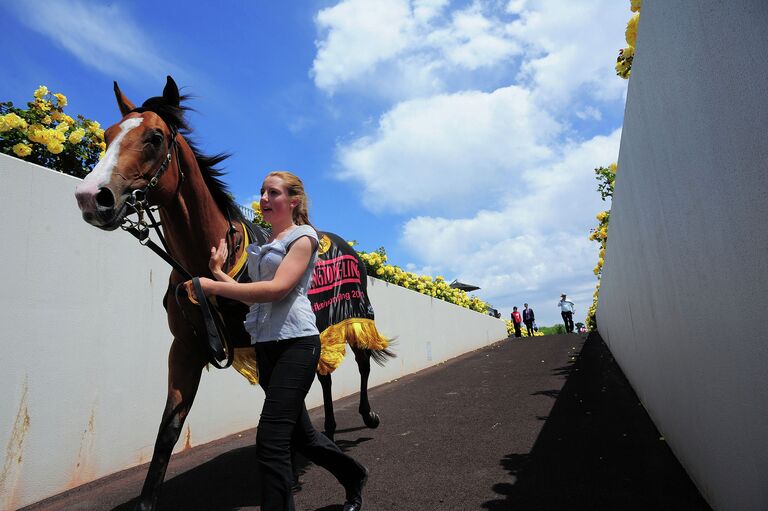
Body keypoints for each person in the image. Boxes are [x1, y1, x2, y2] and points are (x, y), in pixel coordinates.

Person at [188, 171, 368, 511]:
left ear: (293, 201)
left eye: (273, 193)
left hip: (297, 344)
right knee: (304, 437)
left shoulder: (303, 238)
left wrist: (211, 287)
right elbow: (254, 298)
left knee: (271, 439)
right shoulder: (265, 246)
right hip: (266, 347)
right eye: (262, 193)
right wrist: (217, 274)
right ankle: (354, 475)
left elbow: (277, 289)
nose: (265, 199)